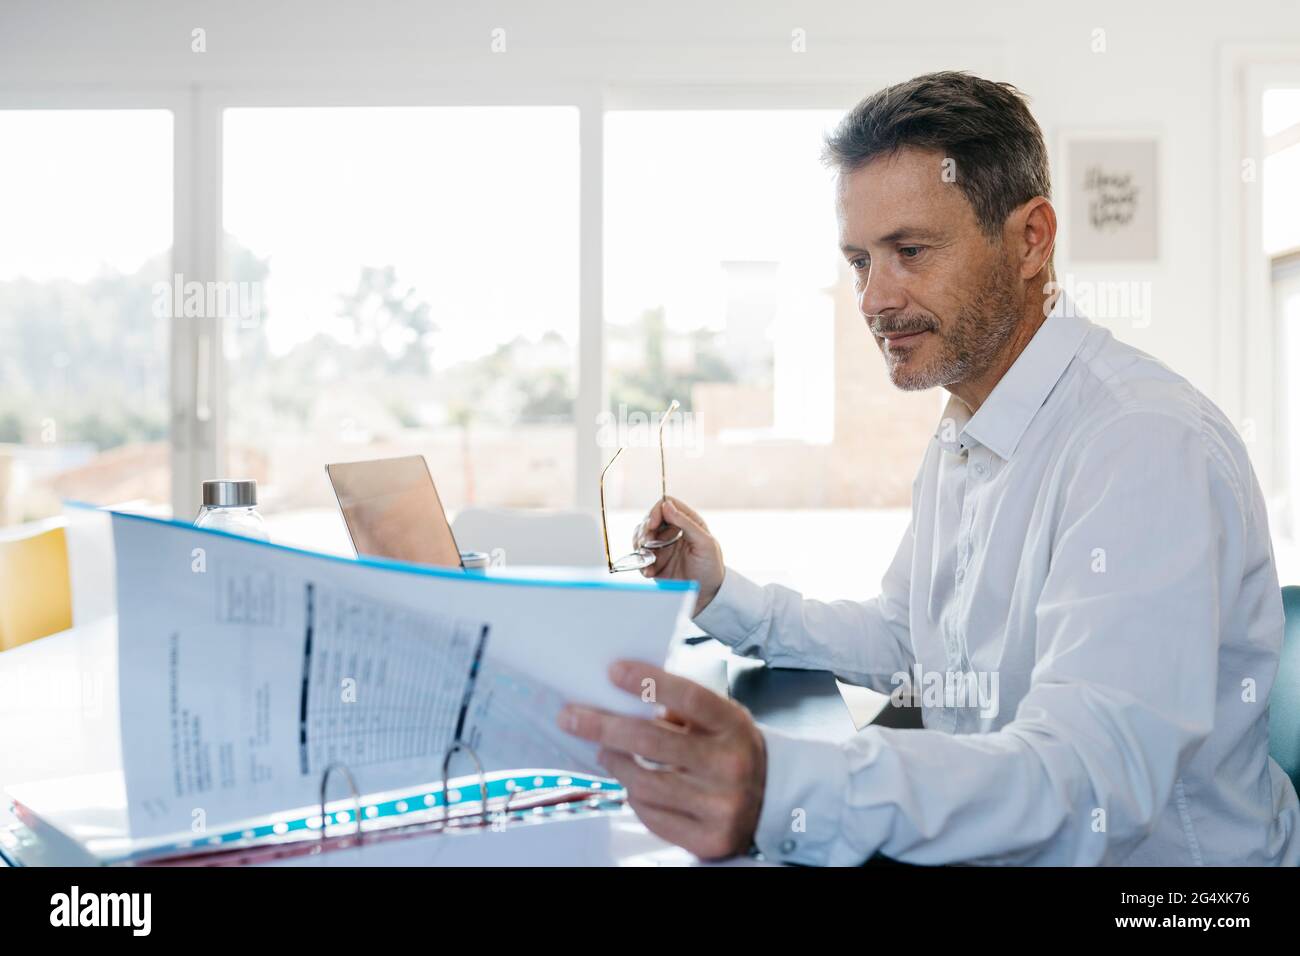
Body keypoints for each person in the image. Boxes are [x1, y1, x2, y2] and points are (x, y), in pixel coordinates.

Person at [556, 71, 1300, 865]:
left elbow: (1093, 778)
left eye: (910, 251)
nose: (875, 298)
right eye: (858, 262)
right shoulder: (969, 424)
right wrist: (719, 593)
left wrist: (784, 784)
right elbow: (912, 639)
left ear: (1030, 240)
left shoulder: (1142, 445)